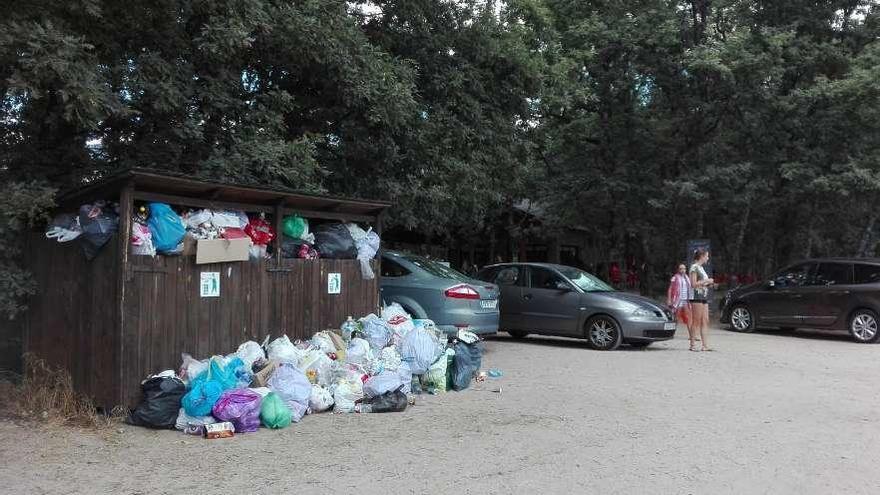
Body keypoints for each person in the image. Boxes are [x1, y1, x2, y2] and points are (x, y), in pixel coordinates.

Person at [689, 249, 715, 351]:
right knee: (696, 321)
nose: (707, 258)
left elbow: (702, 282)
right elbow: (693, 284)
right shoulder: (694, 267)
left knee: (705, 320)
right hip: (697, 296)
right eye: (706, 256)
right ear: (702, 256)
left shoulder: (701, 268)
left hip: (704, 296)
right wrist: (707, 280)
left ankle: (705, 346)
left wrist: (709, 283)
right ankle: (692, 345)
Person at [666, 263, 694, 349]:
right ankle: (671, 333)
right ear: (678, 269)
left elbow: (691, 288)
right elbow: (670, 289)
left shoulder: (687, 278)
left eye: (684, 269)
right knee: (676, 318)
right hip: (677, 300)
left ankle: (691, 336)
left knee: (689, 318)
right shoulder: (675, 277)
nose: (683, 270)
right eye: (681, 268)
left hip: (686, 300)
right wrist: (669, 299)